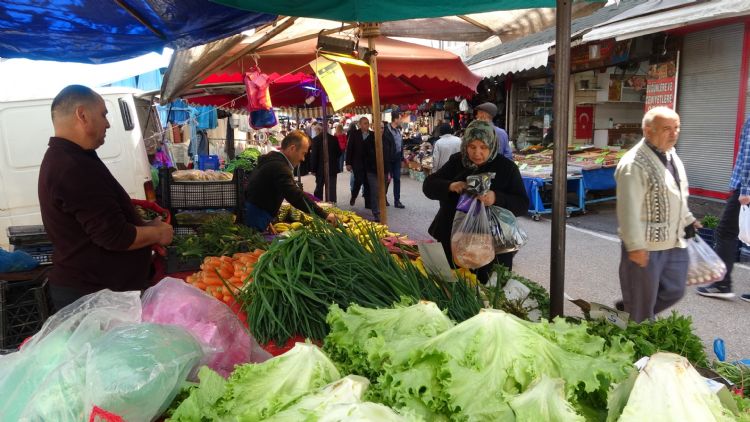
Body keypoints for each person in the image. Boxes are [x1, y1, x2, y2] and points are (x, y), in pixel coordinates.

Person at [38, 85, 174, 310]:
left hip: (97, 292)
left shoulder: (73, 157)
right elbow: (115, 236)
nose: (108, 123)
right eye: (103, 114)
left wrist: (145, 225)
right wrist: (157, 233)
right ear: (82, 115)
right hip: (95, 298)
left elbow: (100, 222)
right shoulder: (73, 167)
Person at [615, 106, 698, 323]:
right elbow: (628, 208)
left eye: (677, 128)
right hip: (646, 246)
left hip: (674, 241)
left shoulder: (670, 154)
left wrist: (688, 218)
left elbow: (677, 191)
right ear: (648, 131)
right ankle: (637, 338)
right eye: (666, 129)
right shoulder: (633, 164)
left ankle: (630, 309)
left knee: (675, 290)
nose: (674, 134)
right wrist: (635, 246)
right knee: (642, 308)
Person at [423, 120, 528, 283]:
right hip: (453, 241)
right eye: (472, 147)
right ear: (465, 145)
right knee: (451, 290)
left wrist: (496, 198)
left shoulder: (506, 168)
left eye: (483, 147)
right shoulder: (457, 162)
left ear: (492, 145)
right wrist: (450, 185)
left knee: (489, 295)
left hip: (493, 248)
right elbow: (428, 186)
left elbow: (522, 204)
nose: (477, 153)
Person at [697, 116, 750, 301]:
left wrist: (745, 190)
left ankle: (721, 284)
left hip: (746, 188)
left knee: (726, 231)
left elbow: (749, 156)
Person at [244, 130, 336, 231]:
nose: (303, 159)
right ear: (292, 148)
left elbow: (262, 188)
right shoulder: (280, 167)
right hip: (255, 215)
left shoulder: (273, 160)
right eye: (303, 153)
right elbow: (294, 195)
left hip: (255, 211)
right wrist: (323, 214)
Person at [363, 118, 395, 222]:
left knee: (382, 192)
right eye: (378, 128)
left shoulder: (387, 139)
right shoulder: (368, 140)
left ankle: (381, 210)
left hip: (385, 171)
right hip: (372, 171)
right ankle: (376, 213)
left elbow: (390, 155)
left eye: (382, 128)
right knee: (375, 191)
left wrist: (389, 172)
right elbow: (365, 157)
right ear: (374, 128)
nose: (380, 130)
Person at [346, 117, 372, 208]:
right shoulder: (354, 134)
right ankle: (354, 196)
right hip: (357, 163)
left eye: (368, 123)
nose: (367, 125)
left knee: (367, 183)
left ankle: (368, 203)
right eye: (365, 123)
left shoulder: (372, 134)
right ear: (360, 125)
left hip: (368, 164)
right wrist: (348, 163)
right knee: (358, 181)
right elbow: (349, 148)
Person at [310, 127, 341, 203]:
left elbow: (314, 156)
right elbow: (339, 153)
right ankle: (332, 205)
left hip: (319, 169)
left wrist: (313, 169)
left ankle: (318, 204)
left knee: (319, 188)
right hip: (332, 167)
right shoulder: (334, 139)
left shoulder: (315, 140)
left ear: (319, 130)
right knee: (332, 188)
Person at [383, 111, 406, 208]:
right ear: (395, 119)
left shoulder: (398, 130)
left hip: (397, 159)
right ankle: (383, 198)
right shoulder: (386, 130)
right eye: (400, 118)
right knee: (387, 180)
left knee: (397, 179)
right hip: (388, 159)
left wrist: (402, 158)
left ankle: (397, 201)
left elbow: (400, 145)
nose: (401, 120)